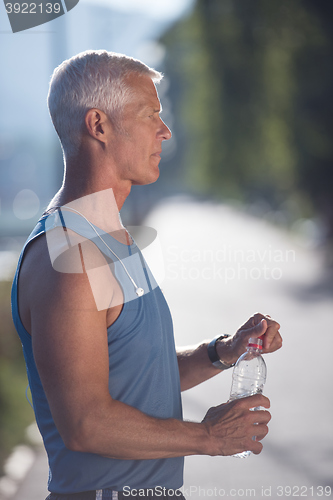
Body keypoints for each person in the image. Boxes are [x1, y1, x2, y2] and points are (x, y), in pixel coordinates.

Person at [11, 50, 282, 500]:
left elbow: (136, 376)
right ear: (98, 126)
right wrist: (208, 437)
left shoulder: (110, 237)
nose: (165, 129)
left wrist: (223, 351)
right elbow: (86, 423)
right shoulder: (68, 256)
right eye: (149, 114)